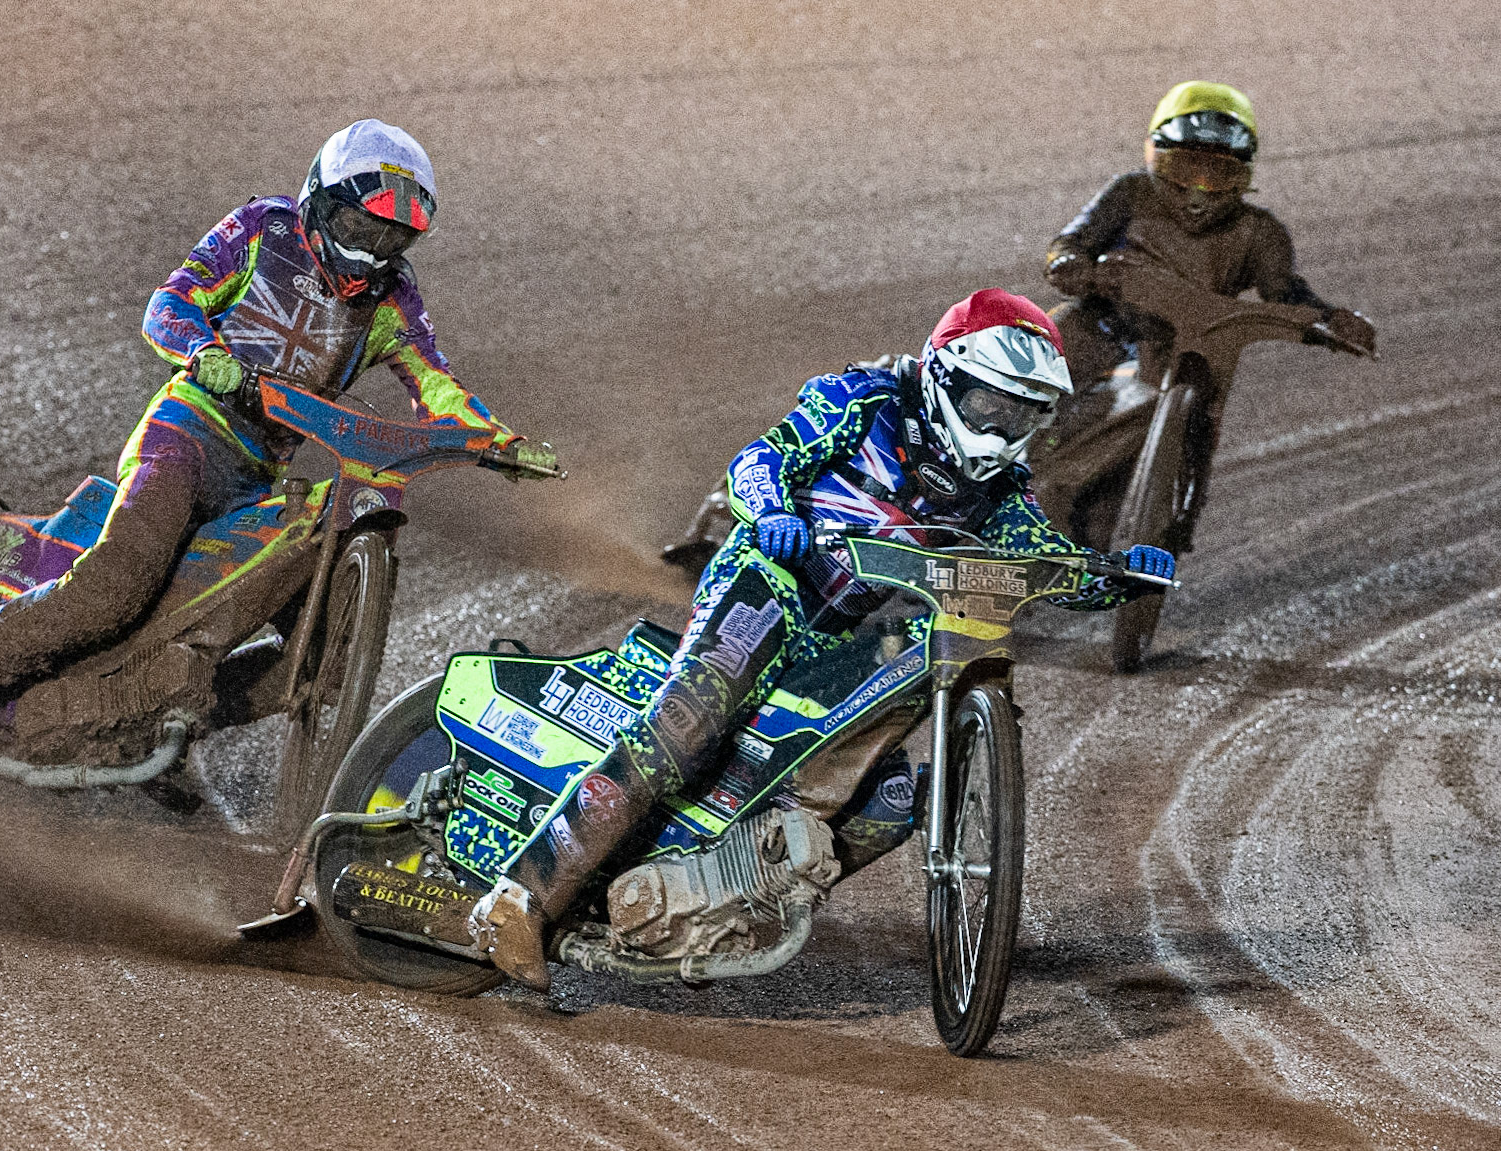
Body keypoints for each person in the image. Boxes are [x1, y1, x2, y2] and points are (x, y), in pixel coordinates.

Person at [467, 289, 1175, 990]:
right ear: (943, 374)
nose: (1000, 426)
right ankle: (519, 897)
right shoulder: (863, 399)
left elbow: (1040, 560)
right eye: (989, 403)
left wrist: (1115, 576)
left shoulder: (998, 490)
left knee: (889, 798)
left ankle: (738, 897)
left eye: (1021, 413)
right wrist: (772, 510)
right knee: (689, 723)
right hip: (767, 583)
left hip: (842, 631)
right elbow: (760, 459)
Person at [0, 119, 528, 770]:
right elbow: (168, 305)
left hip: (256, 480)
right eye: (360, 228)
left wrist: (493, 438)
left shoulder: (395, 297)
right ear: (319, 201)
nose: (371, 252)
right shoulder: (261, 229)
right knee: (117, 584)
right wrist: (203, 351)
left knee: (318, 661)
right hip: (186, 432)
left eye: (393, 237)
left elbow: (435, 382)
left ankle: (142, 722)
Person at [1043, 80, 1376, 424]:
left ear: (1242, 176)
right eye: (1184, 168)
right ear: (1155, 157)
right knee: (1047, 350)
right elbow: (1073, 241)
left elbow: (1286, 291)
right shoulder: (1129, 192)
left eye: (1219, 173)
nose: (1197, 195)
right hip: (1105, 324)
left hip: (1190, 346)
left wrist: (1330, 320)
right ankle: (995, 450)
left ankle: (1178, 464)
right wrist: (1069, 263)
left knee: (1204, 398)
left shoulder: (1261, 232)